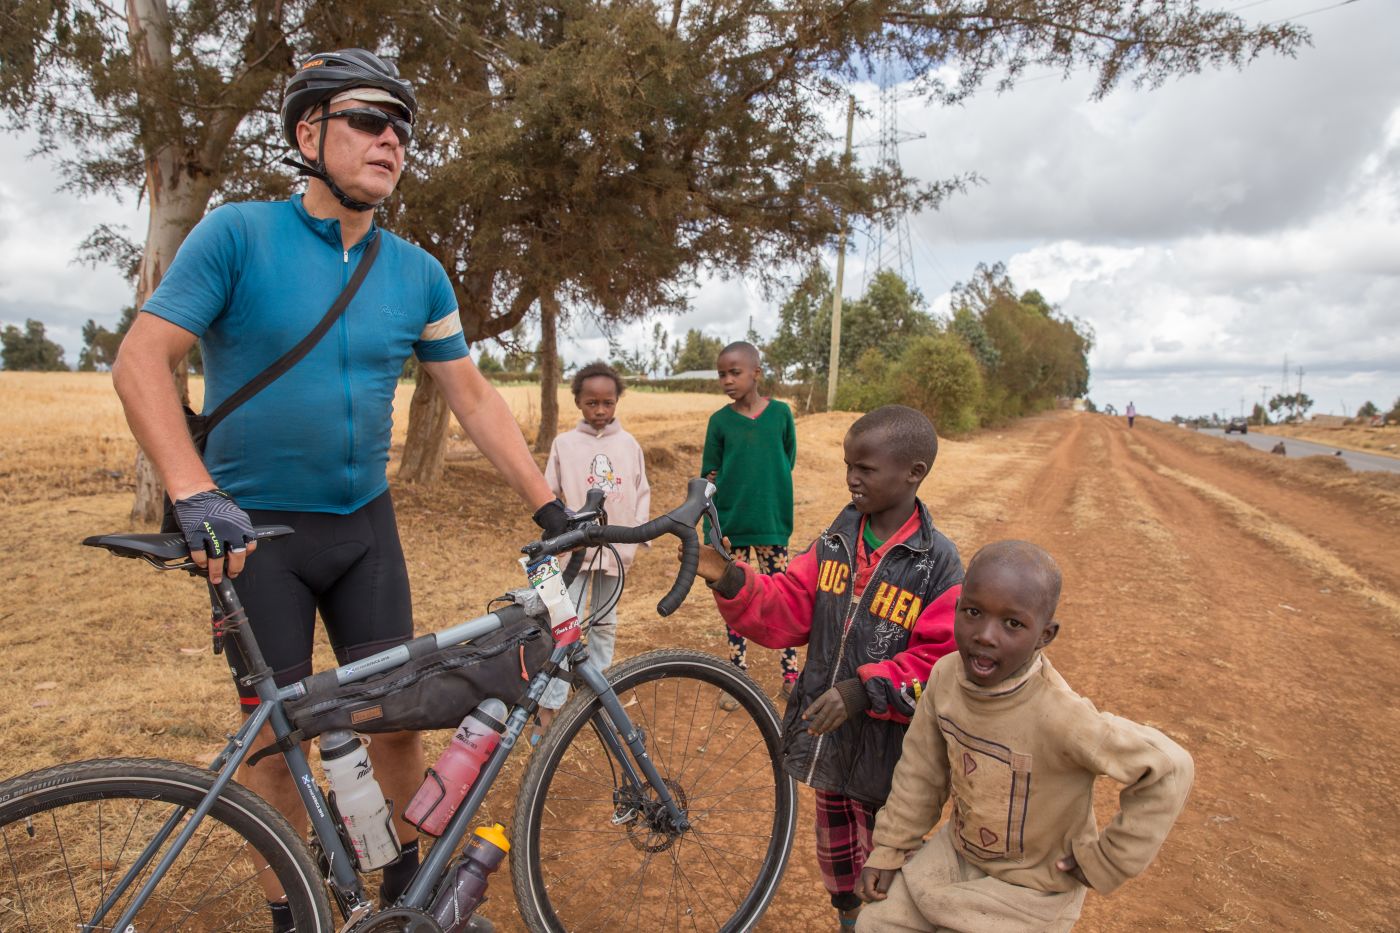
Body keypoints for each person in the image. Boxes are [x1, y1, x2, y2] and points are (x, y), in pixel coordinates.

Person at [112, 49, 570, 929]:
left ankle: (408, 899)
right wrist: (193, 491)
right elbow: (141, 361)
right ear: (308, 131)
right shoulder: (238, 234)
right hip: (255, 535)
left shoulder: (418, 272)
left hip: (365, 529)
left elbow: (469, 394)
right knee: (276, 747)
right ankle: (296, 913)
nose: (392, 139)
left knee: (398, 720)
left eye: (404, 128)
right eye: (370, 119)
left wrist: (546, 506)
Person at [693, 405, 964, 930]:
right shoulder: (835, 542)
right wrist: (728, 577)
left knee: (893, 862)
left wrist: (862, 692)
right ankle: (848, 920)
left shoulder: (938, 565)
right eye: (848, 465)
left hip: (896, 760)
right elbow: (788, 607)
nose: (851, 478)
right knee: (840, 864)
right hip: (831, 744)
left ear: (915, 473)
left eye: (866, 468)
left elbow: (937, 663)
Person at [855, 540, 1194, 932]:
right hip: (955, 859)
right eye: (972, 612)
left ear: (1045, 635)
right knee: (875, 924)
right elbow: (920, 772)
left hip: (1033, 889)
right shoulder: (946, 678)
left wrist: (1108, 860)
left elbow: (1170, 768)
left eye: (1012, 623)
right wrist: (890, 850)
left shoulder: (1061, 715)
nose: (984, 634)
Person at [533, 361, 651, 744]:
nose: (600, 410)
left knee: (604, 624)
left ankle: (598, 697)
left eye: (607, 402)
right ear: (579, 403)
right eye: (592, 403)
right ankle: (549, 704)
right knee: (565, 625)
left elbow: (641, 490)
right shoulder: (564, 445)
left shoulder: (629, 444)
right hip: (576, 552)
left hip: (615, 549)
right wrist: (557, 532)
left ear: (617, 402)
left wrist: (638, 535)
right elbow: (549, 492)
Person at [702, 340, 801, 702]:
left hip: (772, 525)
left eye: (735, 372)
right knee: (736, 600)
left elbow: (785, 459)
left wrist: (767, 492)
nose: (727, 380)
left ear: (756, 373)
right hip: (731, 529)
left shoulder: (781, 415)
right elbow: (709, 476)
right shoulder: (720, 422)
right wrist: (711, 528)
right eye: (721, 374)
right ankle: (736, 676)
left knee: (783, 598)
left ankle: (791, 675)